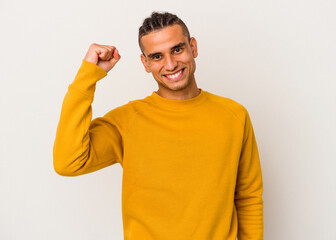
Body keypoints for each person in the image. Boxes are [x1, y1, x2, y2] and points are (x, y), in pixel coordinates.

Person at [53, 11, 264, 240]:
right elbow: (68, 162)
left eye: (177, 49)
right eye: (157, 56)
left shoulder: (234, 115)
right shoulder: (127, 121)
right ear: (145, 63)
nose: (171, 64)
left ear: (193, 47)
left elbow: (248, 197)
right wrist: (87, 76)